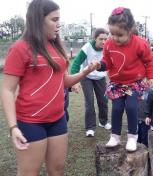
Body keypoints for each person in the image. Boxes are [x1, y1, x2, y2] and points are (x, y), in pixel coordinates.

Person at [0, 0, 99, 175]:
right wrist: (13, 127)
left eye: (59, 19)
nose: (58, 24)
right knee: (29, 172)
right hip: (31, 122)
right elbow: (7, 89)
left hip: (58, 119)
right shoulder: (20, 48)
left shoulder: (56, 47)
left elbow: (63, 81)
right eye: (54, 19)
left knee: (57, 170)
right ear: (38, 19)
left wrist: (86, 72)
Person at [97, 7, 153, 152]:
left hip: (133, 83)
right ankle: (115, 136)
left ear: (130, 30)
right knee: (117, 108)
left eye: (120, 34)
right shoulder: (109, 44)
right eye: (112, 34)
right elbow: (107, 61)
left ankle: (132, 137)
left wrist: (152, 77)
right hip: (117, 83)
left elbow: (150, 60)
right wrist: (100, 65)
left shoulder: (140, 43)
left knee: (131, 107)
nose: (115, 38)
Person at [70, 28, 111, 137]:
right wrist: (74, 81)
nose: (103, 42)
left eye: (105, 39)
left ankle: (103, 122)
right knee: (89, 102)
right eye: (101, 39)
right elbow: (76, 64)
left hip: (100, 77)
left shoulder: (108, 48)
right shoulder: (87, 48)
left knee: (103, 100)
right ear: (95, 39)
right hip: (87, 76)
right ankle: (90, 128)